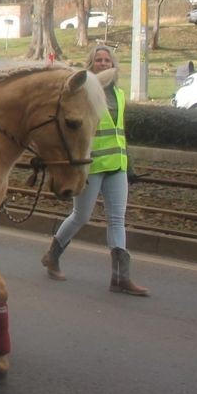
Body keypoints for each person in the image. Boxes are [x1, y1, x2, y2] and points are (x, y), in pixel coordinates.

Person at [41, 45, 149, 296]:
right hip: (90, 166)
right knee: (81, 216)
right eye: (98, 60)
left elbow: (119, 131)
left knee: (116, 219)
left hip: (117, 165)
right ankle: (53, 255)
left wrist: (128, 163)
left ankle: (120, 278)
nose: (103, 63)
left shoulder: (120, 94)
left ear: (113, 64)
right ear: (90, 65)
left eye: (106, 60)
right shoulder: (84, 94)